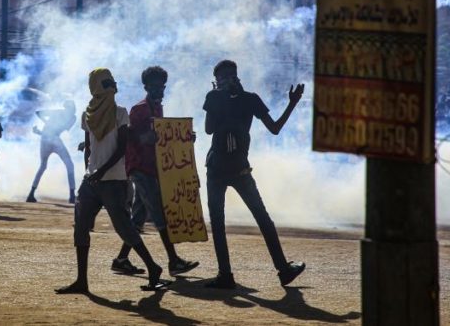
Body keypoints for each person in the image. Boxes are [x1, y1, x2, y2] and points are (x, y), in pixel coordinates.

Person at [55, 68, 168, 295]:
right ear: (95, 86)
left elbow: (121, 148)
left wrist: (101, 170)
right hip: (93, 180)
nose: (113, 86)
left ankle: (153, 268)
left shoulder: (120, 113)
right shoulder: (88, 115)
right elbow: (89, 146)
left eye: (113, 82)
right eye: (107, 83)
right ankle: (81, 281)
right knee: (81, 229)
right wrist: (89, 170)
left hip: (114, 180)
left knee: (125, 228)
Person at [203, 59, 305, 289]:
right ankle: (227, 274)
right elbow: (209, 129)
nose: (228, 80)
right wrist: (218, 98)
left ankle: (281, 270)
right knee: (220, 222)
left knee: (261, 218)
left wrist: (292, 104)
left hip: (236, 169)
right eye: (223, 77)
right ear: (217, 81)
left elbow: (275, 128)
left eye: (231, 75)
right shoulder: (215, 98)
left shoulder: (250, 99)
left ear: (237, 76)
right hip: (222, 169)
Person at [111, 66, 200, 277]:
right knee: (159, 214)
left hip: (151, 168)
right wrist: (146, 139)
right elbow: (131, 137)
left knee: (138, 218)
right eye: (155, 86)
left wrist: (183, 137)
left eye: (162, 86)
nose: (159, 90)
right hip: (141, 168)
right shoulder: (140, 109)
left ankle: (122, 259)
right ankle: (174, 261)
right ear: (146, 87)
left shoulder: (156, 109)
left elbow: (160, 137)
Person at [26, 100, 77, 204]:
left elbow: (39, 114)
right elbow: (40, 115)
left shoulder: (63, 114)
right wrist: (47, 124)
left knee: (43, 166)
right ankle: (72, 196)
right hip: (53, 140)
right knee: (69, 165)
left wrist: (46, 125)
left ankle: (31, 194)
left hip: (46, 139)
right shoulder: (70, 117)